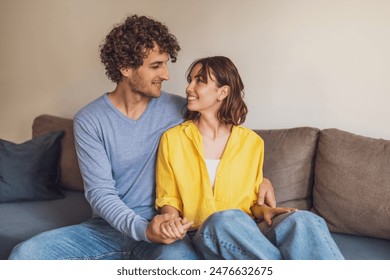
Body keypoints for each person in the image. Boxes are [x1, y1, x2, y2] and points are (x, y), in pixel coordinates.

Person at [8, 15, 275, 260]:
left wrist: (261, 180)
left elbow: (228, 140)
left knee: (179, 265)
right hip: (108, 229)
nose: (167, 75)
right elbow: (100, 193)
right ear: (125, 67)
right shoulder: (90, 120)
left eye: (166, 65)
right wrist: (143, 230)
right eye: (156, 66)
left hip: (167, 232)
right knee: (25, 255)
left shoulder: (182, 109)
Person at [155, 56, 345, 260]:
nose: (189, 87)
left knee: (303, 220)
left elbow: (252, 200)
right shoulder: (173, 139)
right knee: (224, 220)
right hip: (202, 233)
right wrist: (171, 222)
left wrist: (264, 211)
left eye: (199, 80)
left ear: (223, 92)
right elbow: (169, 198)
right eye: (190, 80)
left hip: (248, 231)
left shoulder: (252, 142)